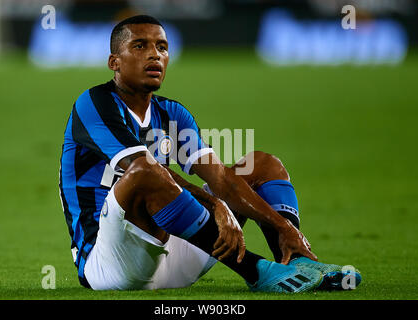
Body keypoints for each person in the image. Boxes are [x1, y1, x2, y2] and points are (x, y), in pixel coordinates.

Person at [58, 15, 361, 292]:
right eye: (140, 46)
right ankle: (256, 272)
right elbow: (143, 167)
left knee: (261, 165)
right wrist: (216, 205)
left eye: (162, 47)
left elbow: (220, 178)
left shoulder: (173, 113)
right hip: (112, 265)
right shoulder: (93, 104)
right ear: (115, 61)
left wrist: (283, 226)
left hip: (177, 253)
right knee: (145, 172)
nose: (154, 55)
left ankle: (296, 261)